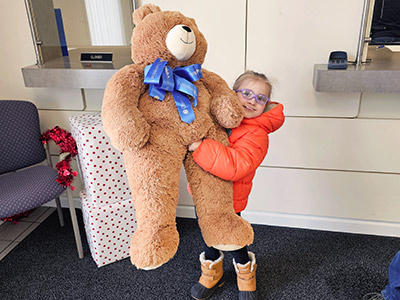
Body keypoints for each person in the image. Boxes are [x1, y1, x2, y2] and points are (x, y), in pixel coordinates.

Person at [188, 70, 285, 300]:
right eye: (247, 93)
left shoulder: (257, 133)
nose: (252, 101)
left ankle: (246, 274)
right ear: (232, 94)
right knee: (208, 234)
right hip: (203, 193)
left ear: (266, 104)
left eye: (261, 98)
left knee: (233, 238)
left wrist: (199, 147)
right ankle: (212, 273)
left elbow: (237, 165)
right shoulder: (218, 117)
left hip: (231, 198)